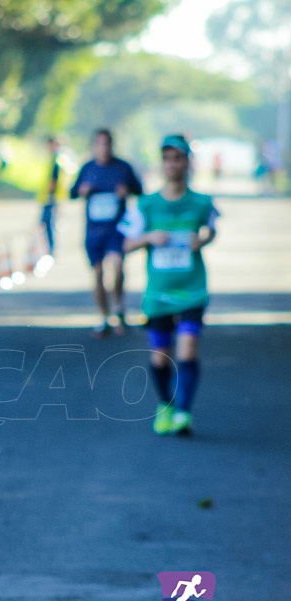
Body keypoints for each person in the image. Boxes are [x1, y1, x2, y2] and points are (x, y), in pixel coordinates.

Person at [120, 134, 217, 436]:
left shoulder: (202, 202)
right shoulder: (147, 205)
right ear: (162, 163)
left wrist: (201, 239)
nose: (173, 164)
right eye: (167, 158)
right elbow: (125, 244)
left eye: (178, 158)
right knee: (160, 356)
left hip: (192, 290)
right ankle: (166, 405)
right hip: (158, 293)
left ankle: (183, 412)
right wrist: (149, 237)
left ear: (187, 162)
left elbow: (211, 229)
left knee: (187, 351)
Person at [70, 128, 143, 337]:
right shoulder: (87, 168)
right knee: (99, 272)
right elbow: (72, 192)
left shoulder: (123, 168)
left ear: (112, 145)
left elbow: (140, 190)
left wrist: (126, 191)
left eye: (107, 144)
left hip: (117, 229)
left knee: (117, 266)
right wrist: (82, 191)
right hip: (94, 231)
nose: (104, 148)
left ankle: (119, 309)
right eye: (100, 144)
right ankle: (103, 316)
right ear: (94, 146)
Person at [36, 136, 62, 255]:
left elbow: (54, 181)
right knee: (45, 224)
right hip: (48, 197)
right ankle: (47, 248)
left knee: (47, 223)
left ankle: (50, 249)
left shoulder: (56, 161)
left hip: (51, 198)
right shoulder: (52, 159)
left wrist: (49, 195)